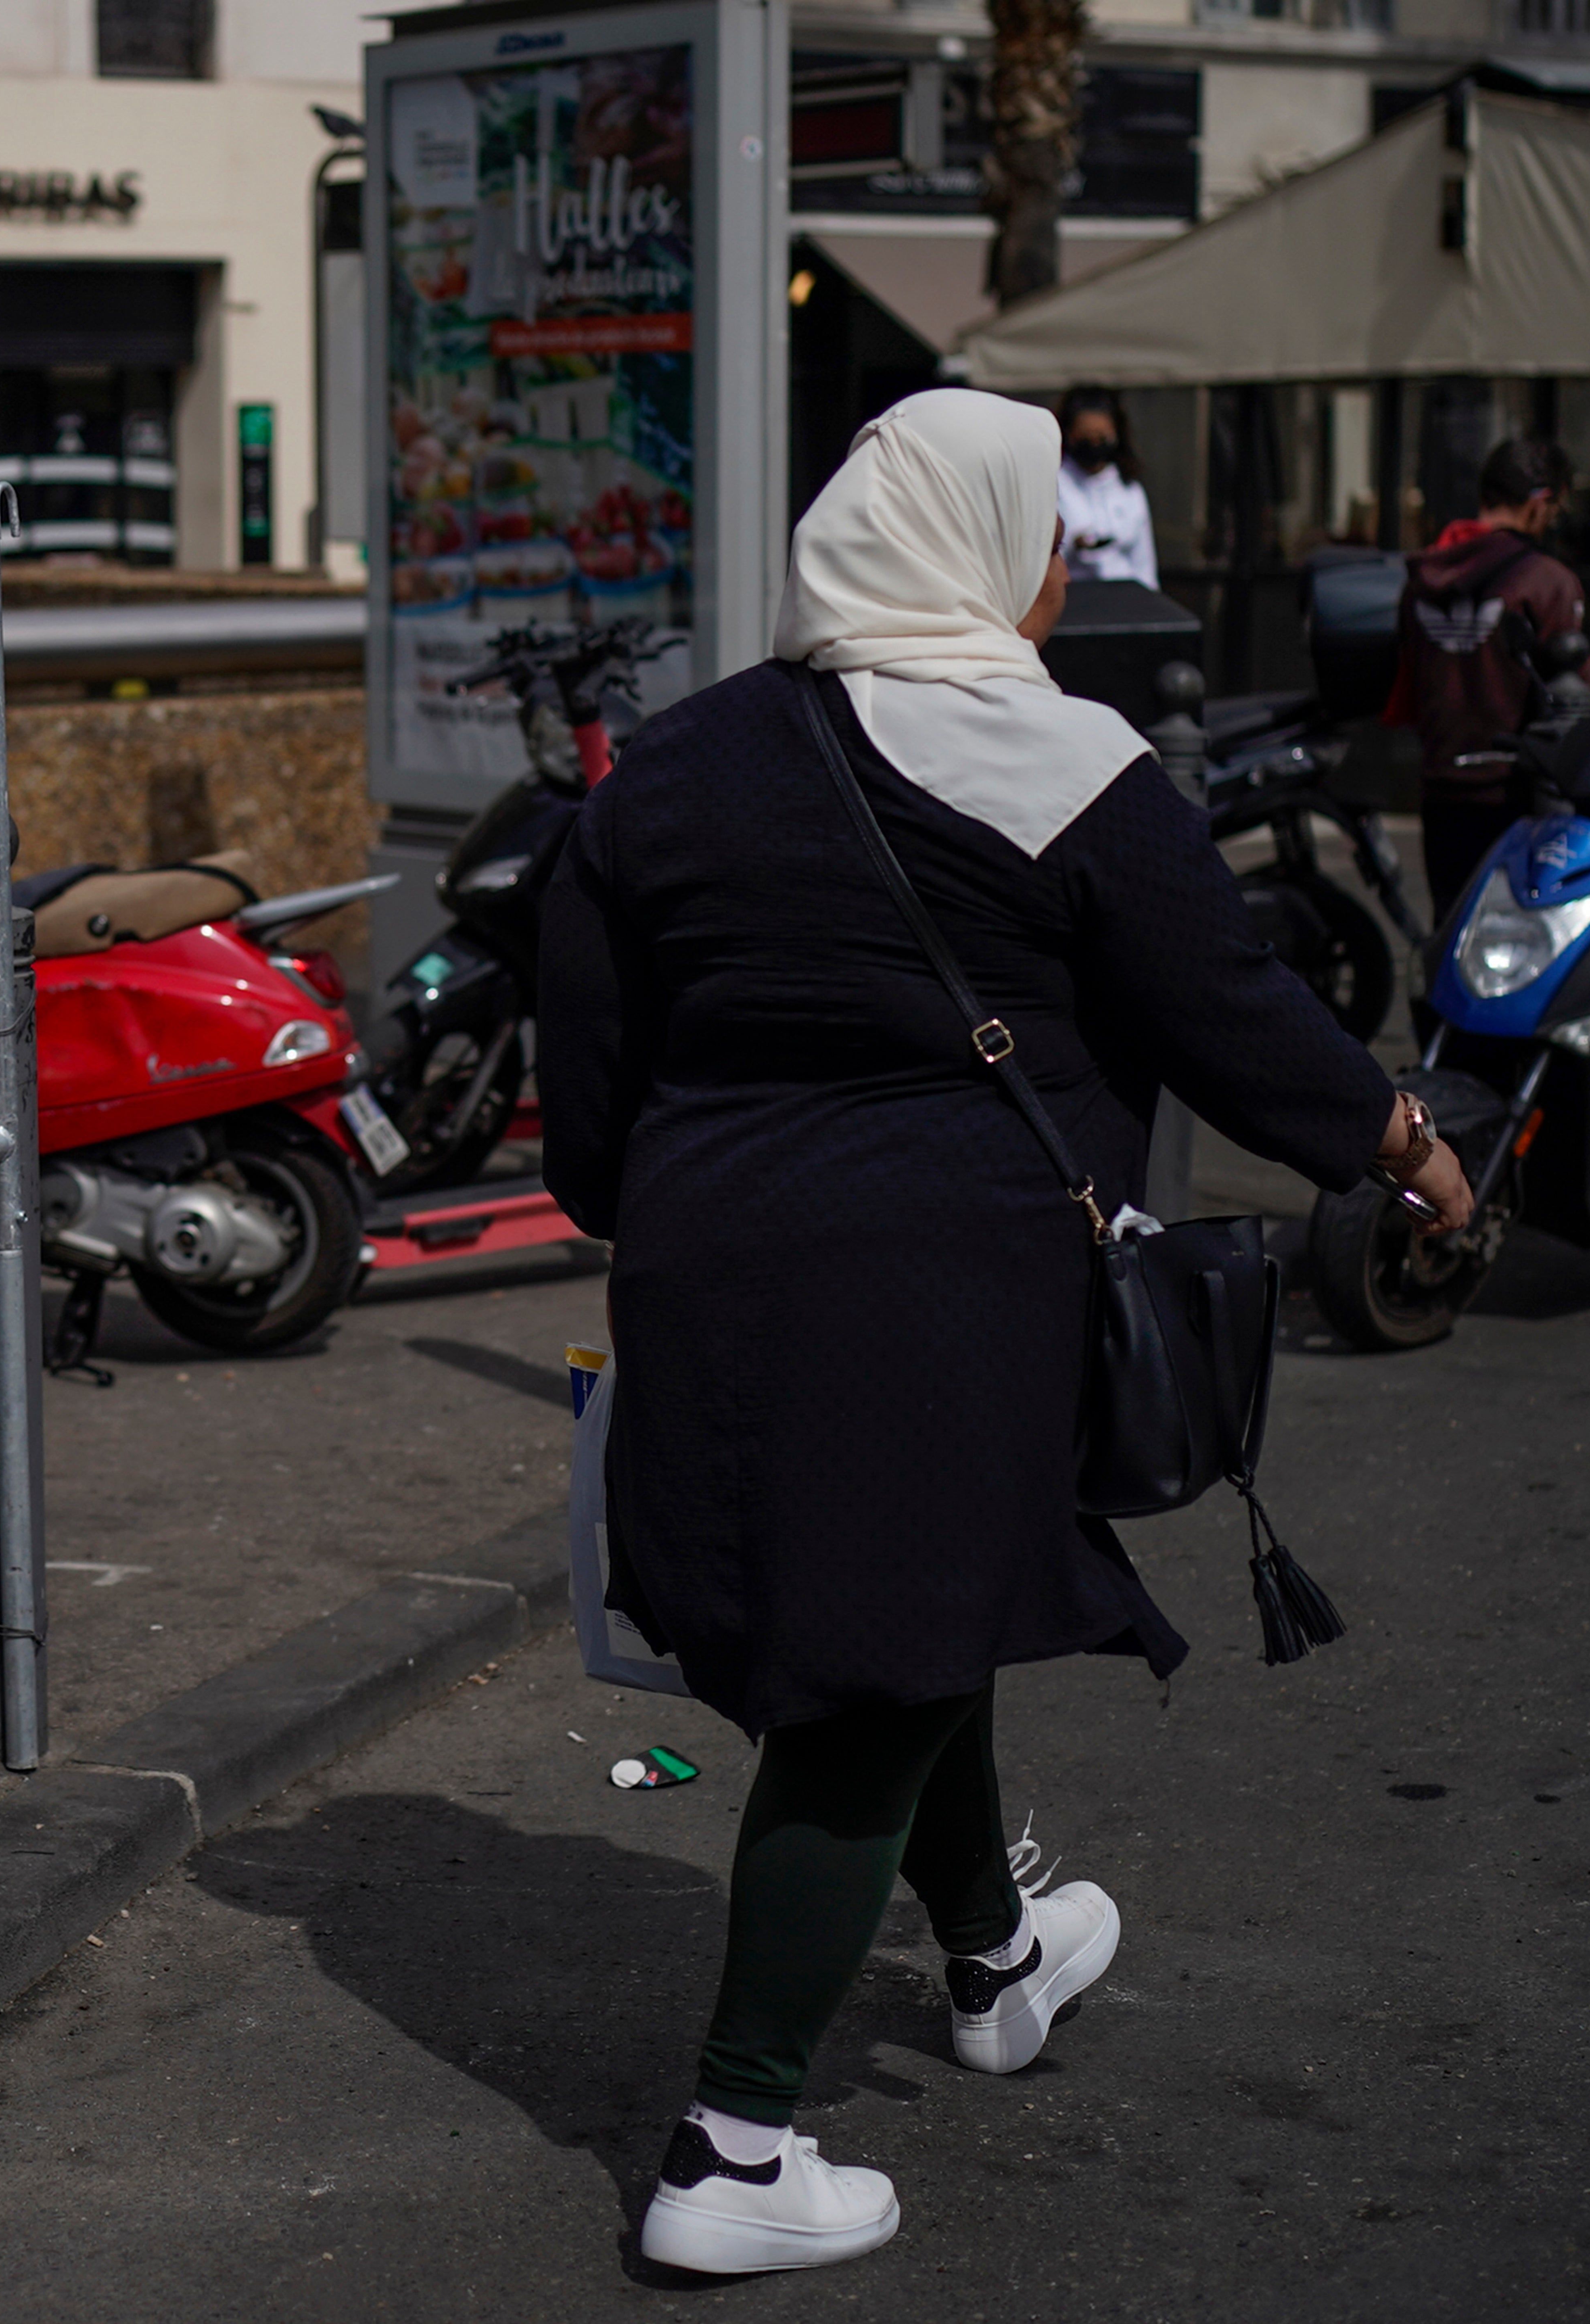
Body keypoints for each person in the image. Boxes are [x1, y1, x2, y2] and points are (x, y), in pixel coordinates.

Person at [539, 389, 1474, 2280]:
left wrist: (663, 1206)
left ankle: (996, 1950)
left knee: (919, 1604)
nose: (1058, 570)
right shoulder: (1068, 765)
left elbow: (583, 1093)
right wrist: (1401, 1142)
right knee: (872, 1683)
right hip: (941, 1290)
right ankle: (733, 2139)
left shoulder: (674, 767)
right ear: (978, 548)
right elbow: (1228, 1002)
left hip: (713, 1270)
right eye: (1041, 534)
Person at [1383, 439, 1590, 921]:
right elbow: (1580, 692)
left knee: (1451, 928)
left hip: (1441, 786)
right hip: (1516, 794)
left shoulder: (1422, 577)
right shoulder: (1548, 581)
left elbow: (1411, 676)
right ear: (1539, 504)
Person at [1053, 385, 1155, 587]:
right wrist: (1073, 546)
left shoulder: (1129, 489)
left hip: (1124, 598)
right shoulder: (1055, 485)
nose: (1094, 445)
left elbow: (1144, 564)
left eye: (1102, 438)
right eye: (1086, 438)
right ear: (1070, 434)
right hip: (1074, 596)